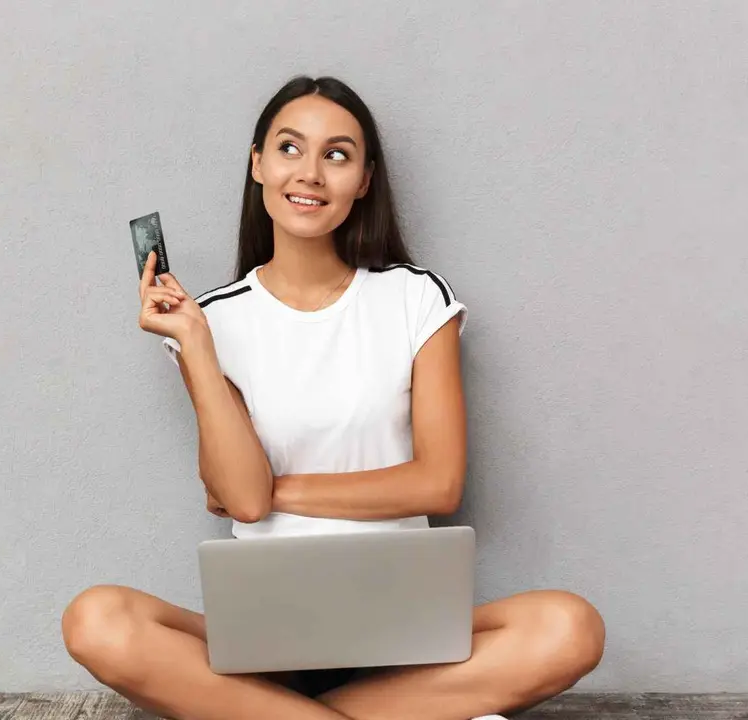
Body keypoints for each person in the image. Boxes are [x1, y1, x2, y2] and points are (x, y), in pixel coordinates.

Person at [62, 75, 606, 720]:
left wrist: (282, 491)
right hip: (267, 637)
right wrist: (196, 345)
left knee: (570, 628)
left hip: (403, 635)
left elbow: (438, 484)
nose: (311, 173)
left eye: (337, 155)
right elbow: (242, 499)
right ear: (258, 163)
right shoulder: (211, 320)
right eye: (289, 148)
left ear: (364, 180)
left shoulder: (415, 298)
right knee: (96, 619)